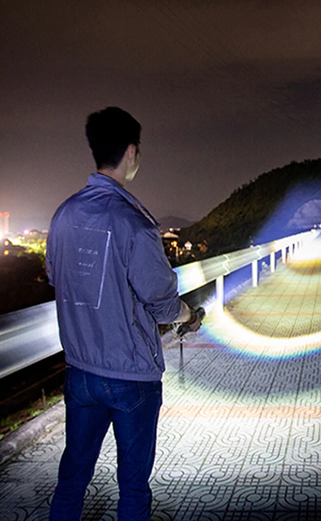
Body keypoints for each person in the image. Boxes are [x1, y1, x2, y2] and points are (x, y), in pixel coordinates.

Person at [46, 106, 202, 521]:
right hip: (131, 376)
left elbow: (56, 276)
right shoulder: (136, 223)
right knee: (132, 487)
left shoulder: (63, 214)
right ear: (132, 152)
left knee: (71, 479)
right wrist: (189, 316)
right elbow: (162, 302)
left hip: (81, 371)